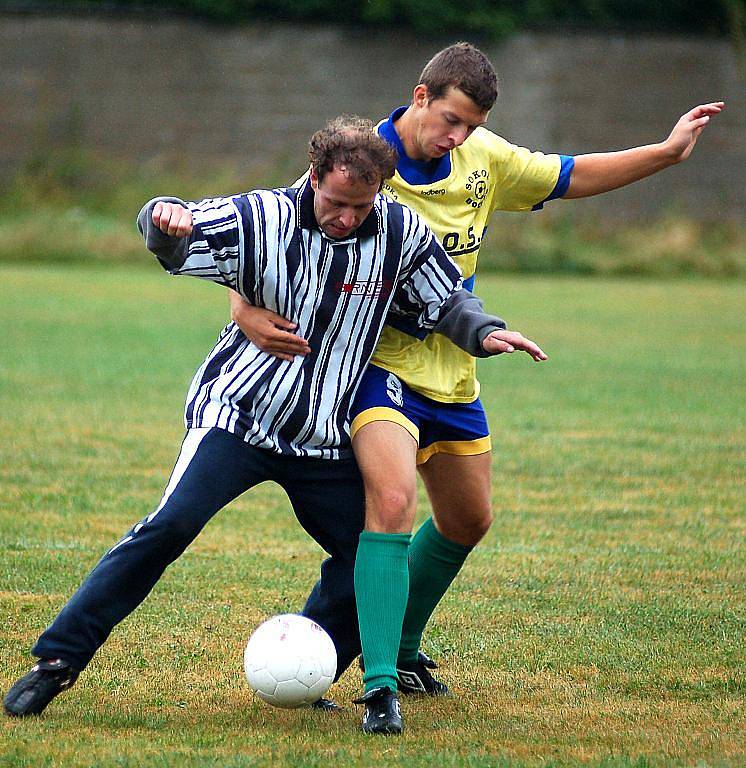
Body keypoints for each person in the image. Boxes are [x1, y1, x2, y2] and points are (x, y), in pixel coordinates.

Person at [228, 43, 724, 728]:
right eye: (451, 120)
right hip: (379, 368)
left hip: (455, 372)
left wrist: (666, 153)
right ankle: (378, 687)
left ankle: (400, 648)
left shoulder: (482, 157)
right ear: (421, 96)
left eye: (471, 125)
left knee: (468, 519)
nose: (458, 137)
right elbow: (280, 237)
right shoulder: (360, 164)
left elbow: (568, 175)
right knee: (393, 503)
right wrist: (244, 310)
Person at [3, 116, 546, 732]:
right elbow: (178, 227)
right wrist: (163, 220)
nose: (346, 217)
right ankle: (58, 660)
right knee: (170, 526)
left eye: (360, 206)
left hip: (320, 434)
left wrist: (483, 330)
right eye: (336, 202)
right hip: (238, 416)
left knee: (366, 554)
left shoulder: (398, 231)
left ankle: (325, 666)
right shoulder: (262, 217)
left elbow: (445, 299)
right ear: (314, 177)